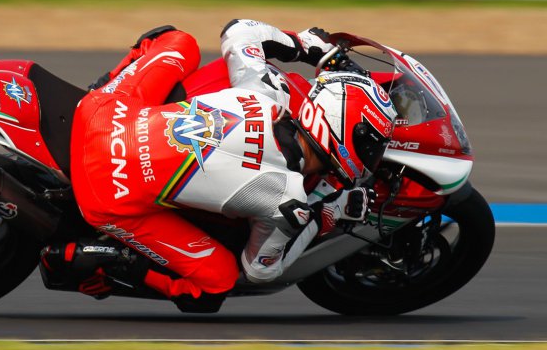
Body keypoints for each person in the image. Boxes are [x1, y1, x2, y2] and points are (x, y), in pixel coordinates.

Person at [46, 20, 397, 313]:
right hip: (108, 195)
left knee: (179, 41)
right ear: (345, 135)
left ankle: (106, 83)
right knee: (218, 282)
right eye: (373, 145)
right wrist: (330, 213)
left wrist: (305, 47)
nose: (374, 153)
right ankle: (98, 260)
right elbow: (260, 271)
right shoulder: (287, 197)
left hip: (102, 113)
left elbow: (239, 30)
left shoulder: (265, 92)